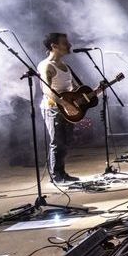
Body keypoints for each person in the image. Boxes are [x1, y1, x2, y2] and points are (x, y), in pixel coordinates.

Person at [38, 32, 80, 183]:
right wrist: (65, 104)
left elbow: (74, 87)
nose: (69, 45)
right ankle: (56, 176)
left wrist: (84, 96)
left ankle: (62, 172)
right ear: (54, 46)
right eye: (65, 43)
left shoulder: (65, 66)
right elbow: (47, 90)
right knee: (57, 141)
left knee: (66, 141)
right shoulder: (46, 65)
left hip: (67, 108)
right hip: (53, 109)